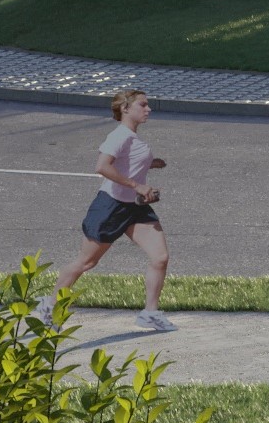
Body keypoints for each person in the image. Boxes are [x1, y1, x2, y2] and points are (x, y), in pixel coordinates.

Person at [37, 89, 175, 332]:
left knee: (160, 258)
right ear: (125, 109)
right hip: (111, 207)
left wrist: (150, 163)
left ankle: (150, 313)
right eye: (142, 105)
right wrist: (137, 185)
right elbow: (102, 166)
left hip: (135, 208)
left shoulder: (131, 137)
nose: (148, 109)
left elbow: (126, 161)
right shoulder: (119, 135)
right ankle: (49, 308)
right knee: (86, 263)